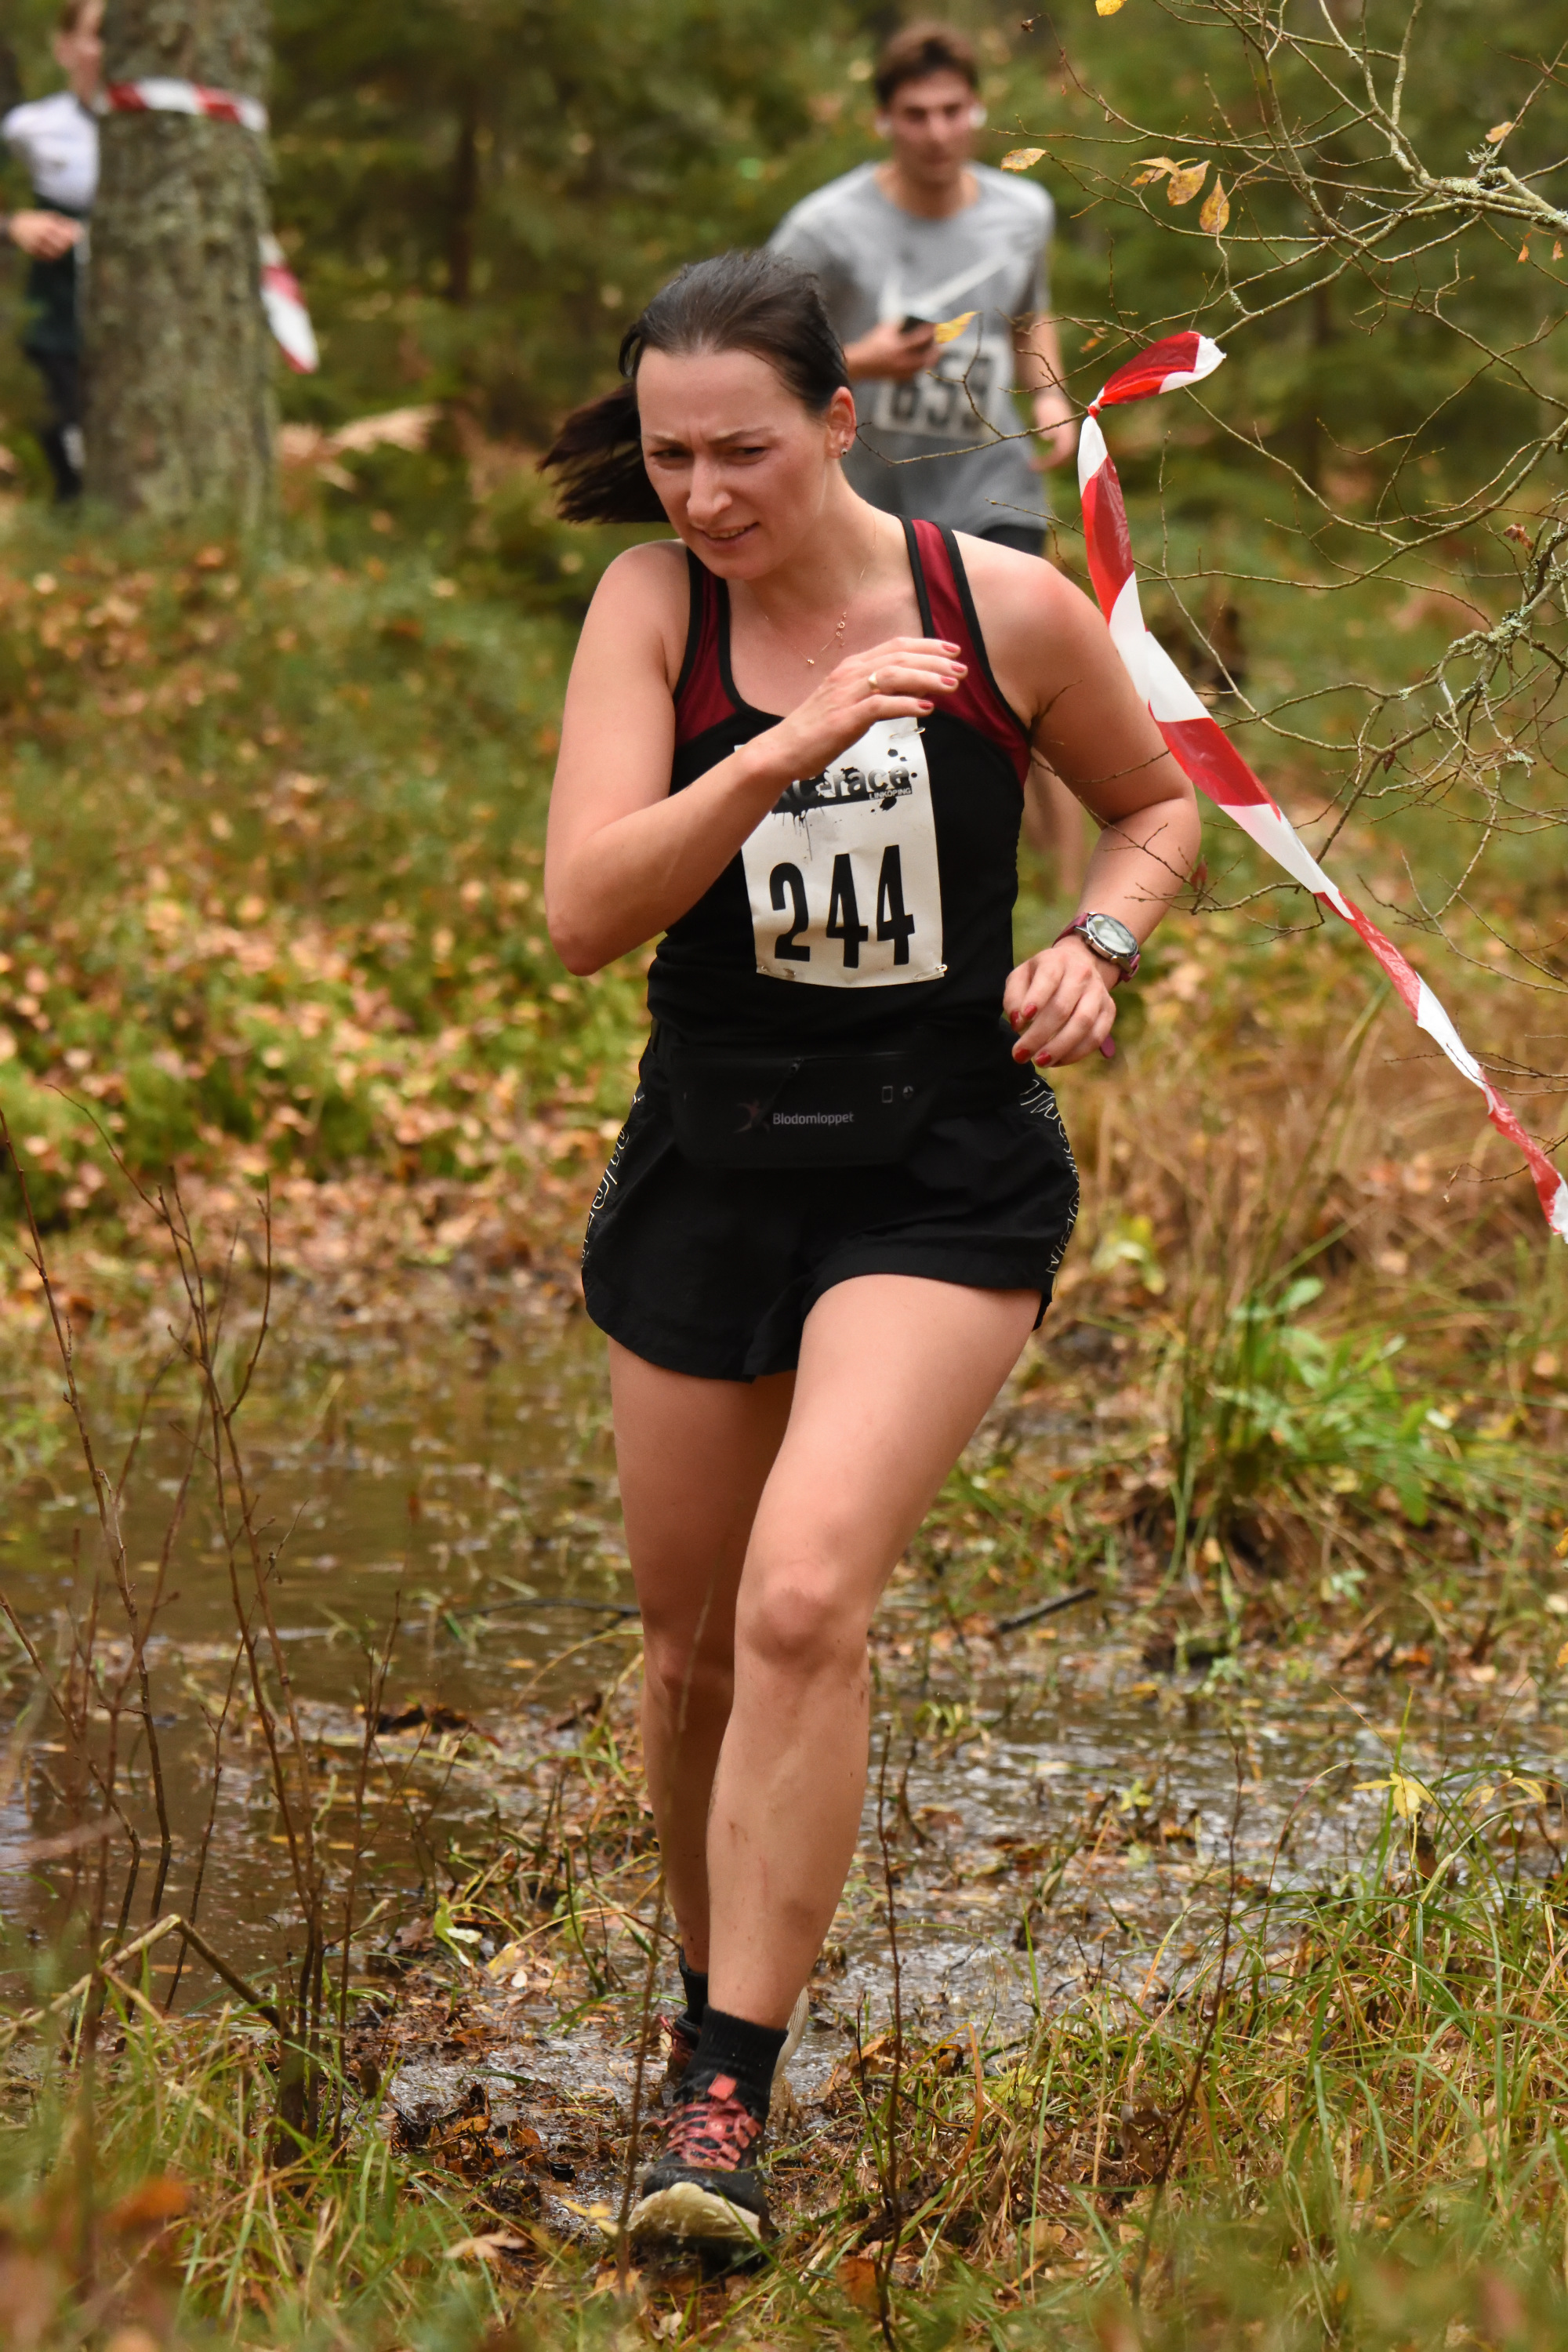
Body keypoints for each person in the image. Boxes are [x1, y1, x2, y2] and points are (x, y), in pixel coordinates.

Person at [540, 249, 1198, 2249]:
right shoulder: (653, 609)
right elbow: (581, 914)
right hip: (713, 1156)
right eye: (668, 455)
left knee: (804, 1596)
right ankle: (704, 2012)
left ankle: (723, 2104)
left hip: (938, 1168)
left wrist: (1097, 943)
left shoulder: (998, 606)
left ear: (838, 420)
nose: (700, 493)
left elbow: (1155, 812)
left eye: (740, 450)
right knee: (685, 1653)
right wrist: (777, 746)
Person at [768, 20, 1089, 897]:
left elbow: (1031, 314)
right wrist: (861, 361)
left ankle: (1068, 903)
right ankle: (900, 874)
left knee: (1031, 674)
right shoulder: (825, 229)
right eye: (915, 114)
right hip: (873, 499)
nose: (937, 132)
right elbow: (759, 354)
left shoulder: (1022, 212)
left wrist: (1049, 393)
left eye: (952, 111)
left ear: (977, 109)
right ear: (883, 120)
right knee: (900, 703)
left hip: (992, 484)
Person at [0, 0, 103, 503]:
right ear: (65, 48)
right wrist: (15, 225)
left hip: (147, 335)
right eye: (99, 33)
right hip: (55, 334)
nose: (112, 50)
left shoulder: (169, 128)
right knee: (75, 479)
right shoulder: (28, 130)